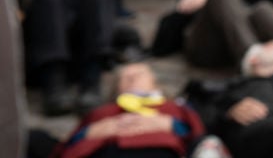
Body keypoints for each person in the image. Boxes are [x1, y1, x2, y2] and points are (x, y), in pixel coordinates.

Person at [50, 63, 215, 158]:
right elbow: (65, 147)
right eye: (124, 77)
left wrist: (172, 125)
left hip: (159, 151)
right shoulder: (102, 113)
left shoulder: (174, 108)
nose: (132, 77)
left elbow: (198, 138)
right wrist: (88, 133)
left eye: (140, 73)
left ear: (155, 83)